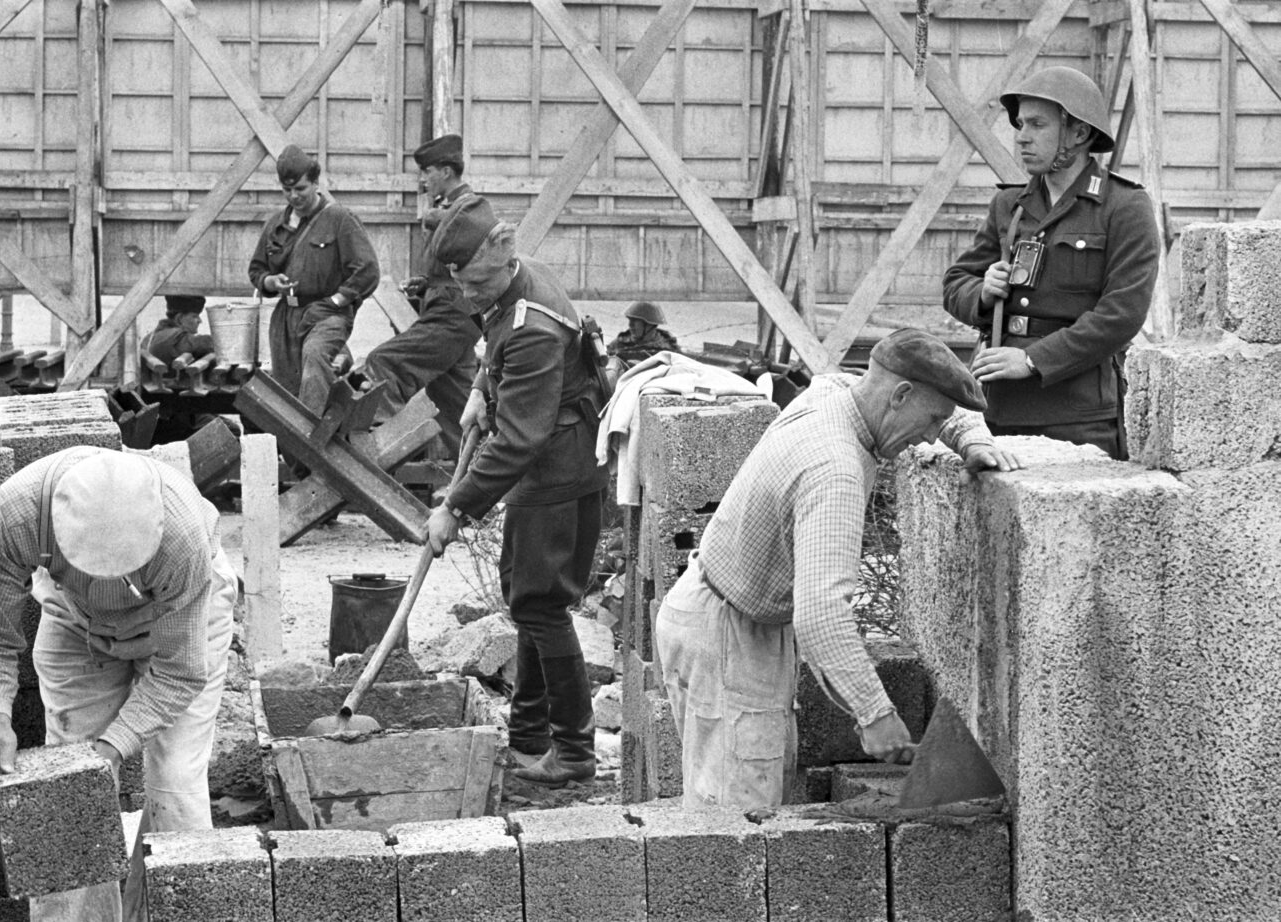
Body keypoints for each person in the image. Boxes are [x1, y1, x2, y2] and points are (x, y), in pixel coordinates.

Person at [655, 329, 1022, 811]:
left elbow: (920, 399)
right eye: (933, 419)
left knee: (755, 789)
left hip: (716, 609)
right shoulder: (835, 471)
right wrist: (875, 714)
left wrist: (969, 436)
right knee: (738, 822)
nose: (932, 435)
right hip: (727, 637)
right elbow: (822, 616)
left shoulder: (832, 392)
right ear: (901, 396)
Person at [0, 447, 236, 922]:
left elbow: (179, 673)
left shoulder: (184, 535)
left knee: (175, 786)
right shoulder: (16, 514)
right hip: (76, 620)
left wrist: (111, 749)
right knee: (69, 788)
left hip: (180, 625)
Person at [423, 195, 608, 787]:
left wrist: (455, 508)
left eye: (476, 287)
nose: (470, 299)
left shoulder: (533, 326)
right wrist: (482, 383)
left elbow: (517, 441)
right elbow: (496, 334)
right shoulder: (515, 282)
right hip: (555, 461)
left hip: (555, 469)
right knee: (530, 600)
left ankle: (575, 752)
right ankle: (529, 734)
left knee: (540, 606)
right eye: (464, 288)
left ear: (497, 263)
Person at [943, 65, 1159, 460]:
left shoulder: (1123, 207)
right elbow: (956, 282)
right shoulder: (1009, 204)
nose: (1021, 136)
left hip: (1078, 415)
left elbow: (1122, 313)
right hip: (999, 407)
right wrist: (983, 292)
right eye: (1020, 124)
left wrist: (1031, 359)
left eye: (1037, 124)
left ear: (1079, 134)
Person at [362, 133, 482, 455]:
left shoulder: (468, 205)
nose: (423, 179)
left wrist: (431, 218)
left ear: (446, 171)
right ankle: (479, 481)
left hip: (453, 315)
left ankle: (377, 452)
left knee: (385, 363)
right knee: (454, 405)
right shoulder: (449, 207)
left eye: (427, 171)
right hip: (448, 311)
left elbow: (473, 227)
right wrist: (425, 282)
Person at [248, 144, 381, 416]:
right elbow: (256, 269)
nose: (294, 196)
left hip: (327, 313)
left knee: (315, 355)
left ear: (315, 184)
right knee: (287, 389)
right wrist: (271, 282)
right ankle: (298, 452)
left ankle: (310, 438)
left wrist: (337, 300)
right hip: (286, 318)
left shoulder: (338, 219)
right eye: (287, 191)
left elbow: (367, 270)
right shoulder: (275, 224)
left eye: (300, 189)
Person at [142, 294, 214, 366]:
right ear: (179, 318)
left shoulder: (150, 337)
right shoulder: (178, 338)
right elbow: (206, 343)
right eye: (194, 316)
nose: (200, 321)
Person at [606, 300, 680, 368]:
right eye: (630, 320)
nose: (630, 325)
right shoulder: (619, 343)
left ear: (649, 325)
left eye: (635, 321)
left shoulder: (668, 347)